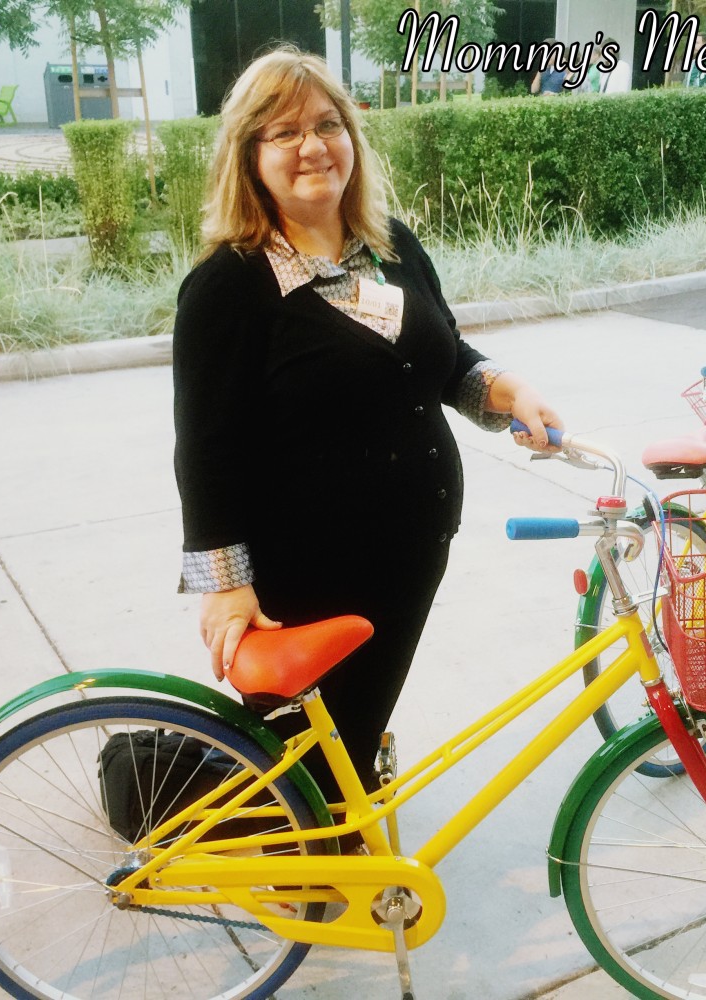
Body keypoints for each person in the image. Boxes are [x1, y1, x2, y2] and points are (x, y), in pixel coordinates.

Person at [173, 46, 562, 803]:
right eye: (283, 134)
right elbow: (207, 449)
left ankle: (325, 836)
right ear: (248, 156)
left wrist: (509, 392)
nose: (313, 146)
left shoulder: (390, 247)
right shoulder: (229, 286)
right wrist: (223, 588)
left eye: (327, 124)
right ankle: (295, 856)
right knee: (300, 748)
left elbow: (445, 359)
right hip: (307, 563)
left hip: (410, 549)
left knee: (358, 720)